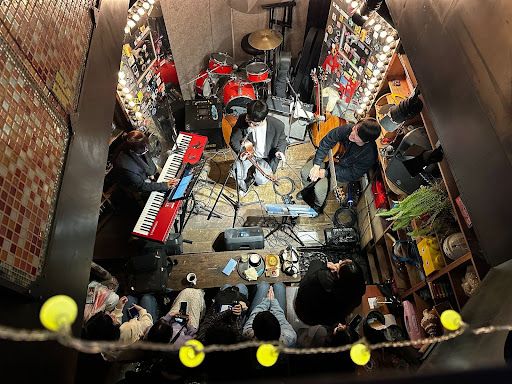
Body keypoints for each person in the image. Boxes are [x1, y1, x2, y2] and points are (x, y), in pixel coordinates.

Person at [300, 117, 380, 211]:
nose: (352, 134)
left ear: (366, 141)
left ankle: (316, 206)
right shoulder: (348, 129)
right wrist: (316, 165)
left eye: (357, 136)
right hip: (330, 159)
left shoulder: (369, 155)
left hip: (341, 172)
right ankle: (306, 191)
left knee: (319, 189)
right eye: (354, 129)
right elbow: (327, 140)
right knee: (305, 172)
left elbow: (353, 173)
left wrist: (326, 173)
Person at [229, 100, 287, 193]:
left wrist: (280, 151)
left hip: (266, 158)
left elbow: (282, 141)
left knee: (261, 180)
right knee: (236, 172)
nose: (251, 125)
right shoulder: (242, 119)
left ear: (264, 119)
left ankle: (253, 175)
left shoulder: (278, 125)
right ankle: (245, 185)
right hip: (249, 154)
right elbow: (234, 140)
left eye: (255, 124)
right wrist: (242, 152)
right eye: (249, 122)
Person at [294, 259, 365, 326]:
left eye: (340, 264)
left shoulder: (319, 278)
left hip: (303, 313)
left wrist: (325, 267)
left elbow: (303, 286)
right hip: (323, 320)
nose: (339, 261)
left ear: (337, 275)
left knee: (316, 262)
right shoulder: (356, 293)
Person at [114, 130, 179, 199]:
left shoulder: (138, 145)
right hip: (137, 182)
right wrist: (165, 185)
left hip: (142, 170)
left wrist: (152, 173)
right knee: (158, 195)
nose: (147, 149)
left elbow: (147, 157)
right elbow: (141, 186)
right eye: (144, 148)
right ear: (133, 150)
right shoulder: (127, 167)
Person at [242, 282, 296, 347]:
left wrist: (266, 300)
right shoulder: (289, 337)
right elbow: (280, 318)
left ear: (254, 331)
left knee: (264, 285)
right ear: (279, 328)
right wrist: (272, 300)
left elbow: (254, 314)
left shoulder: (247, 335)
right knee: (279, 285)